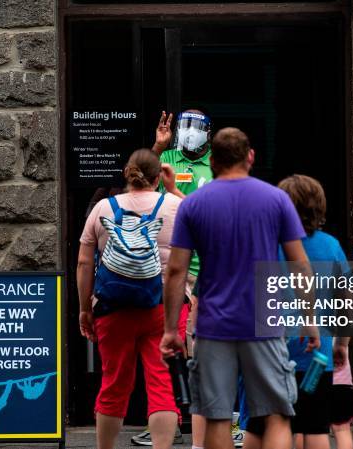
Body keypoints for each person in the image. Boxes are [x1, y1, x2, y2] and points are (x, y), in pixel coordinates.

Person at [160, 128, 319, 449]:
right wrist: (309, 318)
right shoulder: (276, 199)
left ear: (213, 161)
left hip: (212, 324)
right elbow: (300, 264)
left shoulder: (193, 205)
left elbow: (176, 271)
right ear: (251, 157)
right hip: (263, 322)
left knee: (217, 415)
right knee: (276, 413)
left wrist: (170, 329)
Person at [77, 149, 187, 449]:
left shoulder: (102, 209)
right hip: (163, 307)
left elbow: (85, 264)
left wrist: (85, 309)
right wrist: (174, 188)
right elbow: (206, 226)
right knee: (162, 384)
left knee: (113, 383)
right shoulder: (175, 206)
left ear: (127, 173)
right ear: (156, 177)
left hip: (112, 307)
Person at [133, 109, 223, 448]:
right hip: (165, 268)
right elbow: (139, 178)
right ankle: (163, 422)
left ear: (209, 133)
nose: (188, 132)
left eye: (197, 127)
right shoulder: (167, 157)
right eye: (184, 125)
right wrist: (157, 146)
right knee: (163, 350)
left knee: (202, 350)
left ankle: (219, 423)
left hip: (203, 270)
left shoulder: (217, 164)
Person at [243, 174, 351, 449]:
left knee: (260, 424)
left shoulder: (266, 244)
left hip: (268, 347)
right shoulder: (331, 246)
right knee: (315, 426)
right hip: (316, 352)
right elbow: (346, 301)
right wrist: (342, 344)